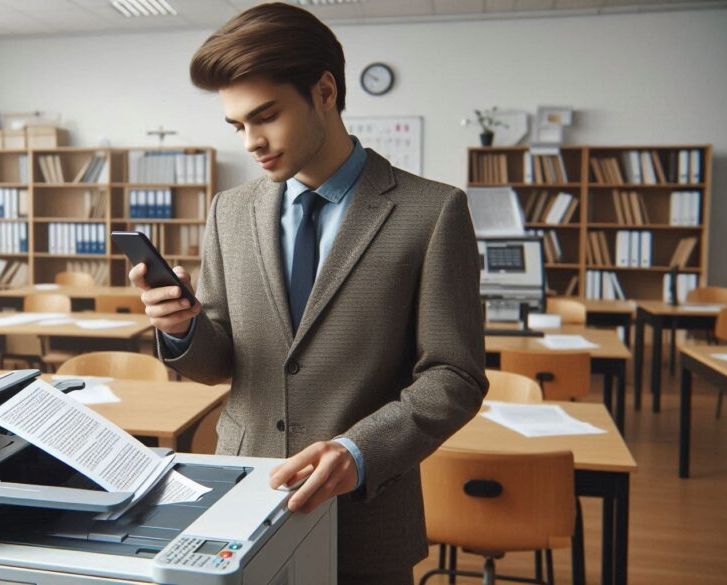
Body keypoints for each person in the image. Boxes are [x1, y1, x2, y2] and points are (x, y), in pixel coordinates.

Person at [129, 3, 487, 583]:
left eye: (265, 116)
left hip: (365, 517)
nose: (251, 141)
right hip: (239, 502)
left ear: (324, 91)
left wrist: (359, 450)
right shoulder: (230, 210)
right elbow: (223, 362)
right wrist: (182, 328)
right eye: (237, 126)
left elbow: (455, 375)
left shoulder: (433, 211)